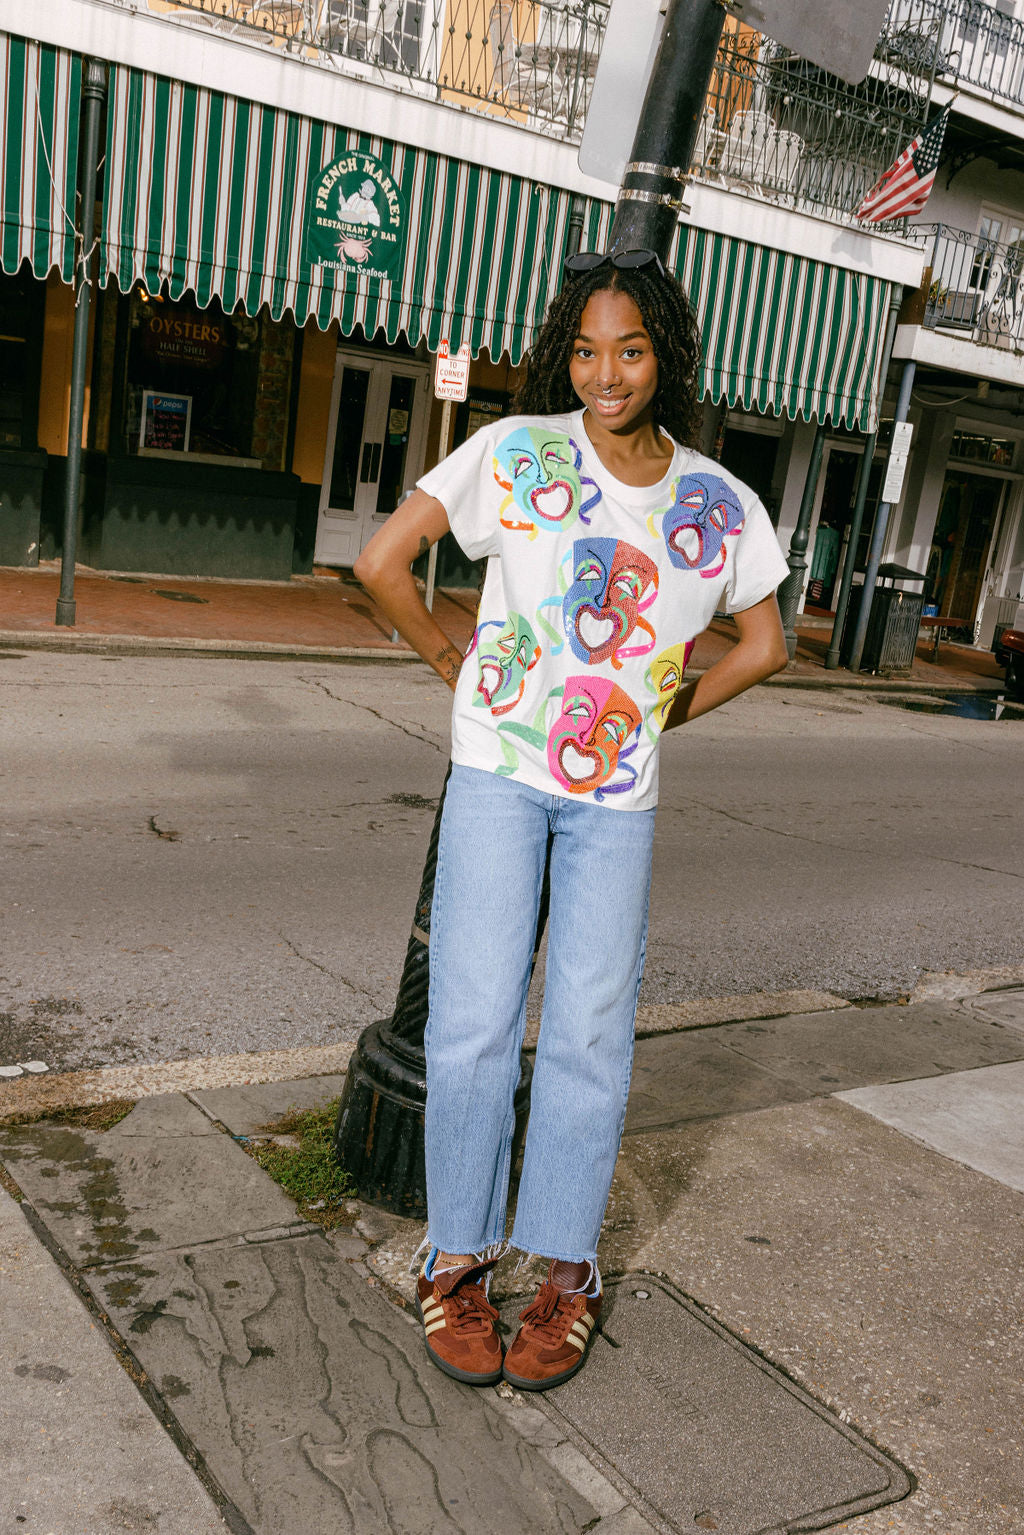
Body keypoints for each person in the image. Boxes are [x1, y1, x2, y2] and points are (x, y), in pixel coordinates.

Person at [354, 249, 790, 1393]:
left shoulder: (714, 502)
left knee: (590, 1035)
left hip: (615, 801)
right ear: (567, 352)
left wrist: (658, 711)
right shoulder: (515, 452)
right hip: (498, 775)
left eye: (631, 349)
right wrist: (455, 660)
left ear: (665, 356)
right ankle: (454, 1259)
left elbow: (766, 642)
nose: (607, 372)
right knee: (471, 1023)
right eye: (588, 348)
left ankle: (563, 1274)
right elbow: (382, 559)